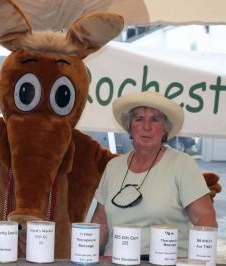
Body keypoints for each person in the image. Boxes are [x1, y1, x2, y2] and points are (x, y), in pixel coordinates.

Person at [91, 91, 217, 258]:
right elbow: (101, 221)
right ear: (130, 127)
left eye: (155, 119)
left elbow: (205, 218)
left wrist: (201, 260)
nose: (147, 127)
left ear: (165, 129)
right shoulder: (113, 167)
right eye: (139, 119)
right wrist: (87, 256)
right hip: (116, 260)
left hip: (167, 261)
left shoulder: (182, 164)